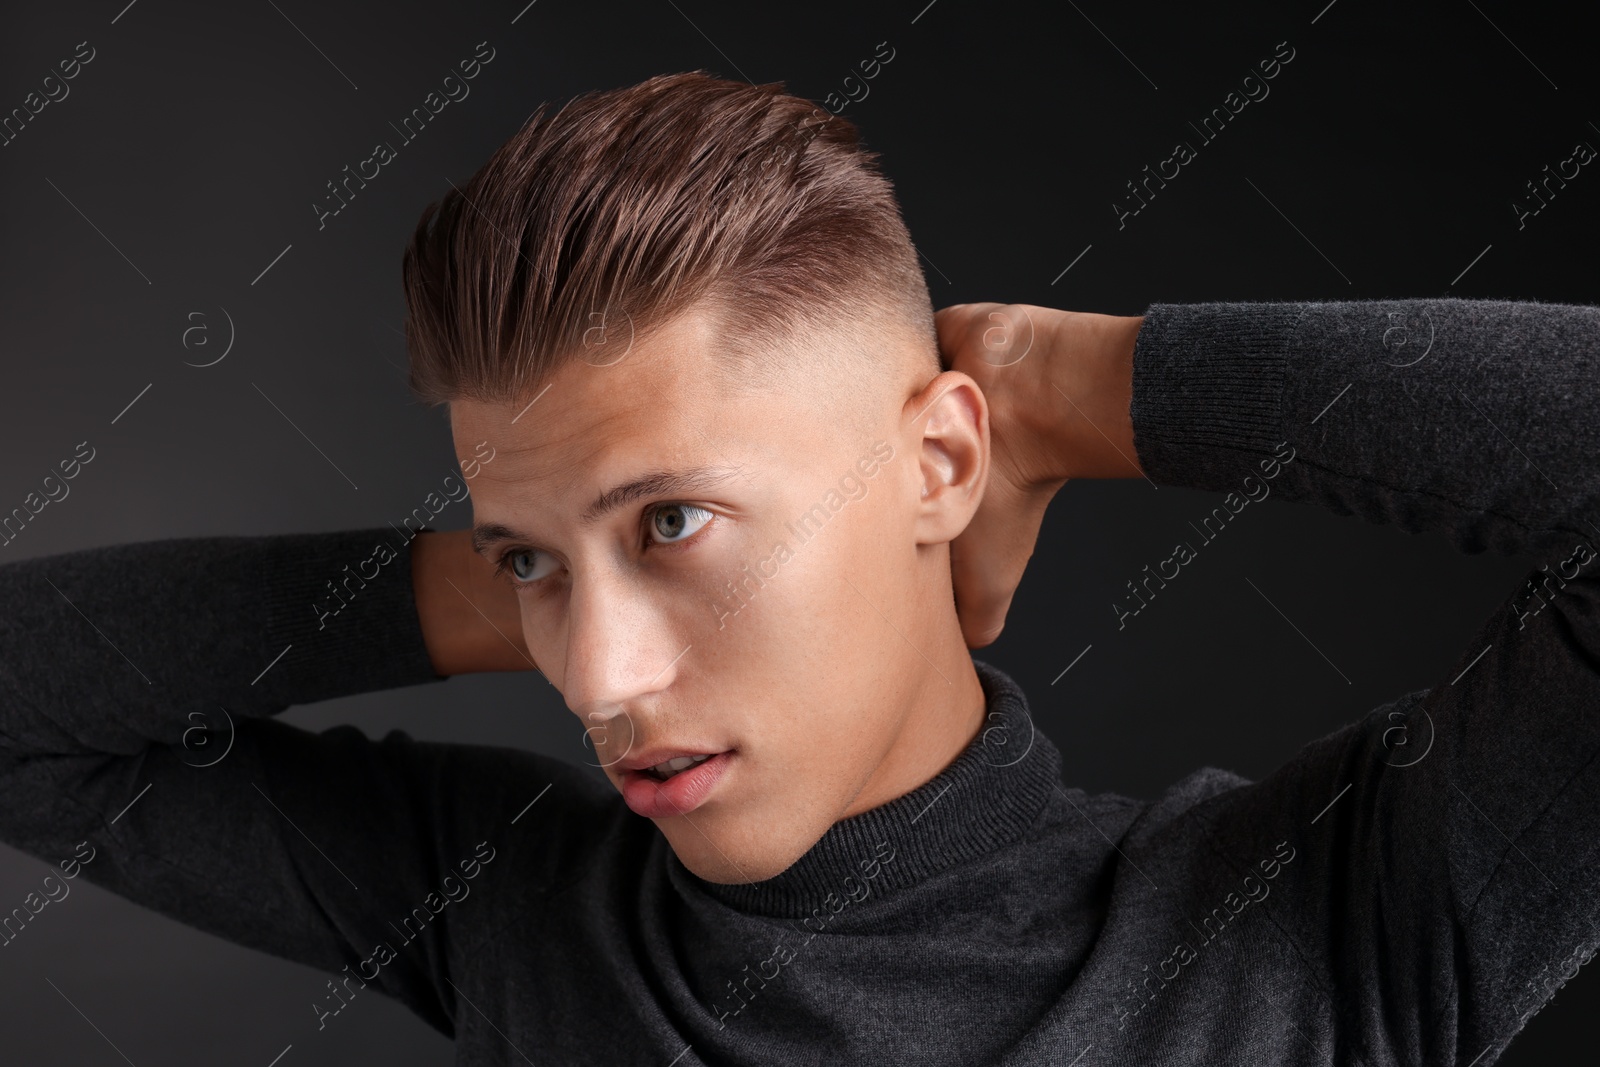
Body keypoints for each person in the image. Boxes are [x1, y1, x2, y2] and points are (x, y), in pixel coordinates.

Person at [2, 70, 1596, 1066]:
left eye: (674, 521)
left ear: (942, 464)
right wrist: (540, 565)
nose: (601, 686)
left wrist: (1074, 384)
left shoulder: (1330, 930)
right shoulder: (520, 919)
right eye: (532, 569)